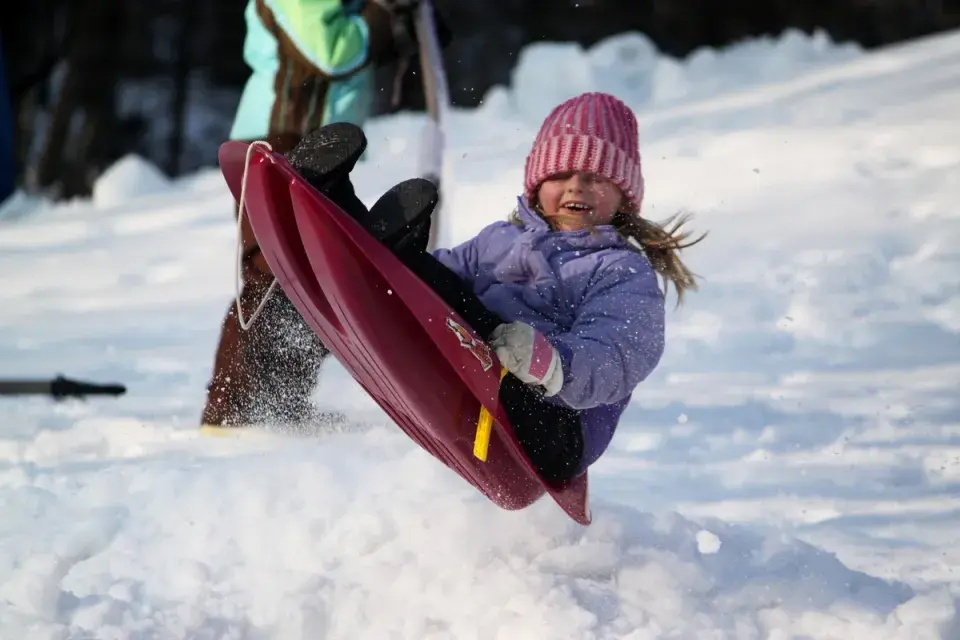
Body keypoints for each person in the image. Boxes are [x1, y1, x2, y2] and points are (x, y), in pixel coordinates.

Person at [257, 91, 705, 483]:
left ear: (624, 197)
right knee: (430, 283)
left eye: (596, 178)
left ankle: (384, 248)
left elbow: (619, 353)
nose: (576, 187)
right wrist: (407, 274)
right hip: (479, 369)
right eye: (560, 175)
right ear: (536, 184)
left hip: (557, 427)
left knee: (478, 322)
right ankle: (337, 207)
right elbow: (444, 283)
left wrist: (552, 363)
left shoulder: (622, 270)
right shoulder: (502, 239)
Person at [201, 0, 448, 427]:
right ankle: (233, 410)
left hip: (320, 146)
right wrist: (381, 22)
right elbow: (329, 52)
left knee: (318, 278)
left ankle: (283, 403)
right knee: (274, 275)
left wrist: (400, 32)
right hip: (280, 139)